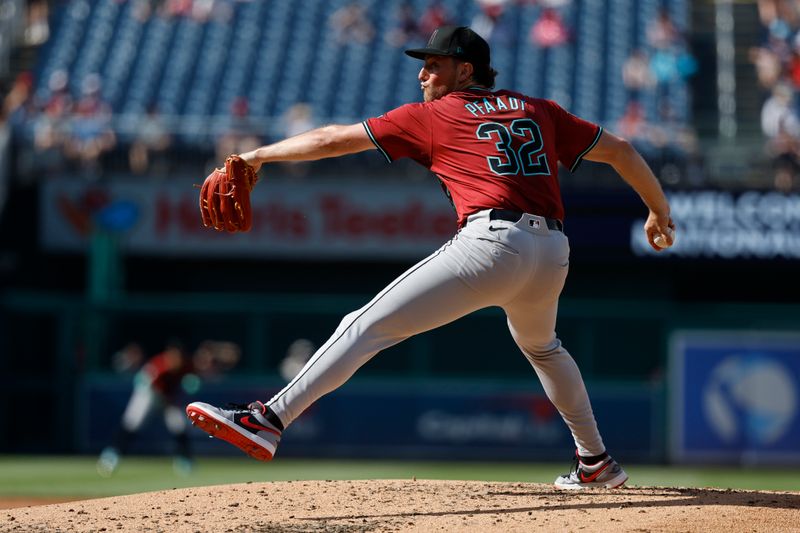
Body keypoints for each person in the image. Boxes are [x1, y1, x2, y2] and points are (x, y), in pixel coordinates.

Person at [187, 26, 675, 490]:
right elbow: (622, 149)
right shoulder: (539, 109)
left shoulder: (435, 115)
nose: (423, 75)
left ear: (466, 72)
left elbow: (335, 138)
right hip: (551, 252)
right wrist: (658, 211)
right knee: (544, 348)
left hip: (493, 242)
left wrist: (257, 157)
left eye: (434, 65)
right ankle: (595, 461)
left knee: (365, 324)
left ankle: (267, 420)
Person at [97, 340, 239, 477]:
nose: (176, 357)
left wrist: (216, 358)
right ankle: (111, 455)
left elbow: (203, 369)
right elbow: (154, 387)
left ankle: (185, 461)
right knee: (133, 423)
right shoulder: (160, 365)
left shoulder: (185, 364)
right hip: (148, 394)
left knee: (180, 425)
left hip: (168, 397)